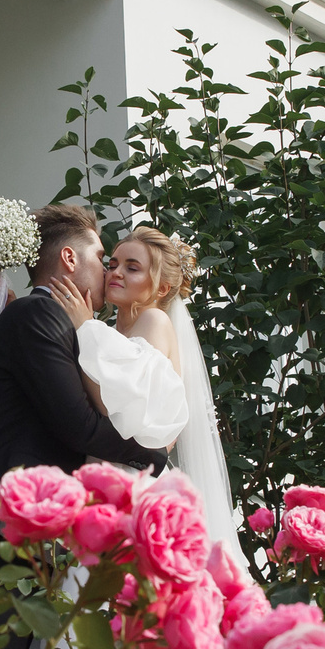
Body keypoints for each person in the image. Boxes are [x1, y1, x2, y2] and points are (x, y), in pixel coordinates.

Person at [0, 204, 164, 570]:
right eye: (101, 258)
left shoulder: (48, 319)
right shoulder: (37, 314)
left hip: (25, 526)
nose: (108, 272)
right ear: (70, 259)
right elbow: (79, 425)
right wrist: (153, 453)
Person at [74, 226, 240, 550]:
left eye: (132, 268)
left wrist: (84, 327)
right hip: (102, 478)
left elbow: (114, 410)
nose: (115, 273)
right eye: (112, 264)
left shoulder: (154, 321)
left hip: (132, 486)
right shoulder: (107, 332)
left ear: (161, 288)